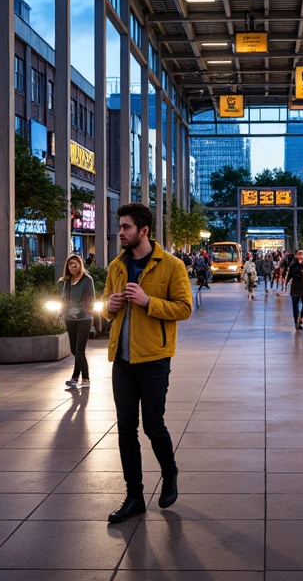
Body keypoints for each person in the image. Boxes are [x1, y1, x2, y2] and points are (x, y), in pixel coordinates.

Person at [103, 202, 192, 525]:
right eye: (120, 226)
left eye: (125, 227)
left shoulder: (171, 265)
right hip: (121, 361)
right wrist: (108, 306)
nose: (120, 232)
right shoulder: (116, 266)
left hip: (154, 359)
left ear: (144, 230)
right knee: (126, 429)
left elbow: (184, 308)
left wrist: (148, 302)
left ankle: (169, 475)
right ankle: (134, 496)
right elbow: (106, 307)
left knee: (153, 426)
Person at [58, 253, 95, 389]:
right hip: (70, 318)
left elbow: (91, 298)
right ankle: (86, 379)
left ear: (80, 265)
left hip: (83, 318)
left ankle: (75, 378)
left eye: (75, 264)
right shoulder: (67, 281)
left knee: (80, 350)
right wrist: (61, 313)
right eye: (70, 265)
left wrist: (89, 312)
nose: (73, 267)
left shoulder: (87, 279)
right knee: (75, 351)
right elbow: (64, 299)